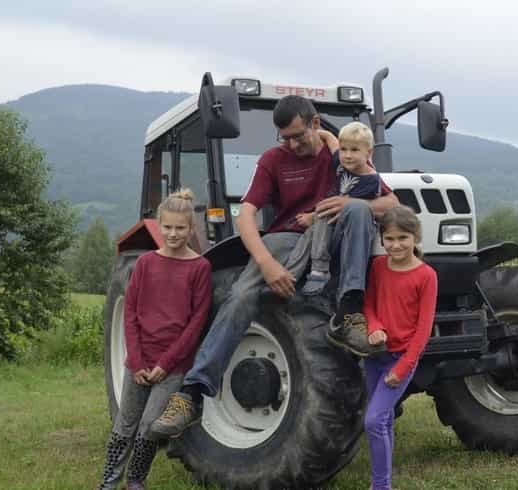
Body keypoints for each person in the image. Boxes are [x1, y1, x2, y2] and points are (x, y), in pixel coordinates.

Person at [149, 95, 398, 439]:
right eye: (285, 138)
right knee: (241, 293)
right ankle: (191, 393)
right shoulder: (274, 160)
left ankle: (348, 315)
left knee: (358, 210)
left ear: (315, 124)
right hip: (289, 238)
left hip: (339, 240)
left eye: (298, 135)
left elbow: (391, 203)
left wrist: (351, 201)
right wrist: (266, 263)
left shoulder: (342, 155)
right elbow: (248, 213)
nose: (292, 144)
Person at [97, 189, 212, 490]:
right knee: (125, 424)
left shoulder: (200, 268)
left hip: (172, 366)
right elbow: (131, 313)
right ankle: (108, 482)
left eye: (180, 228)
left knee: (149, 426)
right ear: (159, 225)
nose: (173, 234)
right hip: (140, 361)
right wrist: (136, 361)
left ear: (191, 229)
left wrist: (165, 363)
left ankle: (136, 480)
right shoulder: (146, 263)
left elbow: (196, 322)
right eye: (168, 227)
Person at [362, 205, 438, 490]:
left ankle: (380, 486)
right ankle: (385, 483)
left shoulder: (426, 276)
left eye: (403, 238)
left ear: (415, 237)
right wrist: (373, 327)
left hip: (401, 359)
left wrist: (403, 367)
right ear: (382, 239)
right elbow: (369, 304)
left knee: (372, 421)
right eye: (390, 239)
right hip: (375, 356)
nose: (396, 245)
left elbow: (423, 329)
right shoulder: (378, 267)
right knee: (383, 420)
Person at [283, 122, 380, 297]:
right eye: (344, 149)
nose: (347, 155)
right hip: (328, 224)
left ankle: (320, 269)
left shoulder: (370, 180)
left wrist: (313, 216)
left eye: (355, 150)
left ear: (369, 153)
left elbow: (341, 208)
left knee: (322, 214)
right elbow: (332, 141)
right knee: (309, 236)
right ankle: (290, 275)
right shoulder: (342, 164)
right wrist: (313, 134)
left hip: (350, 231)